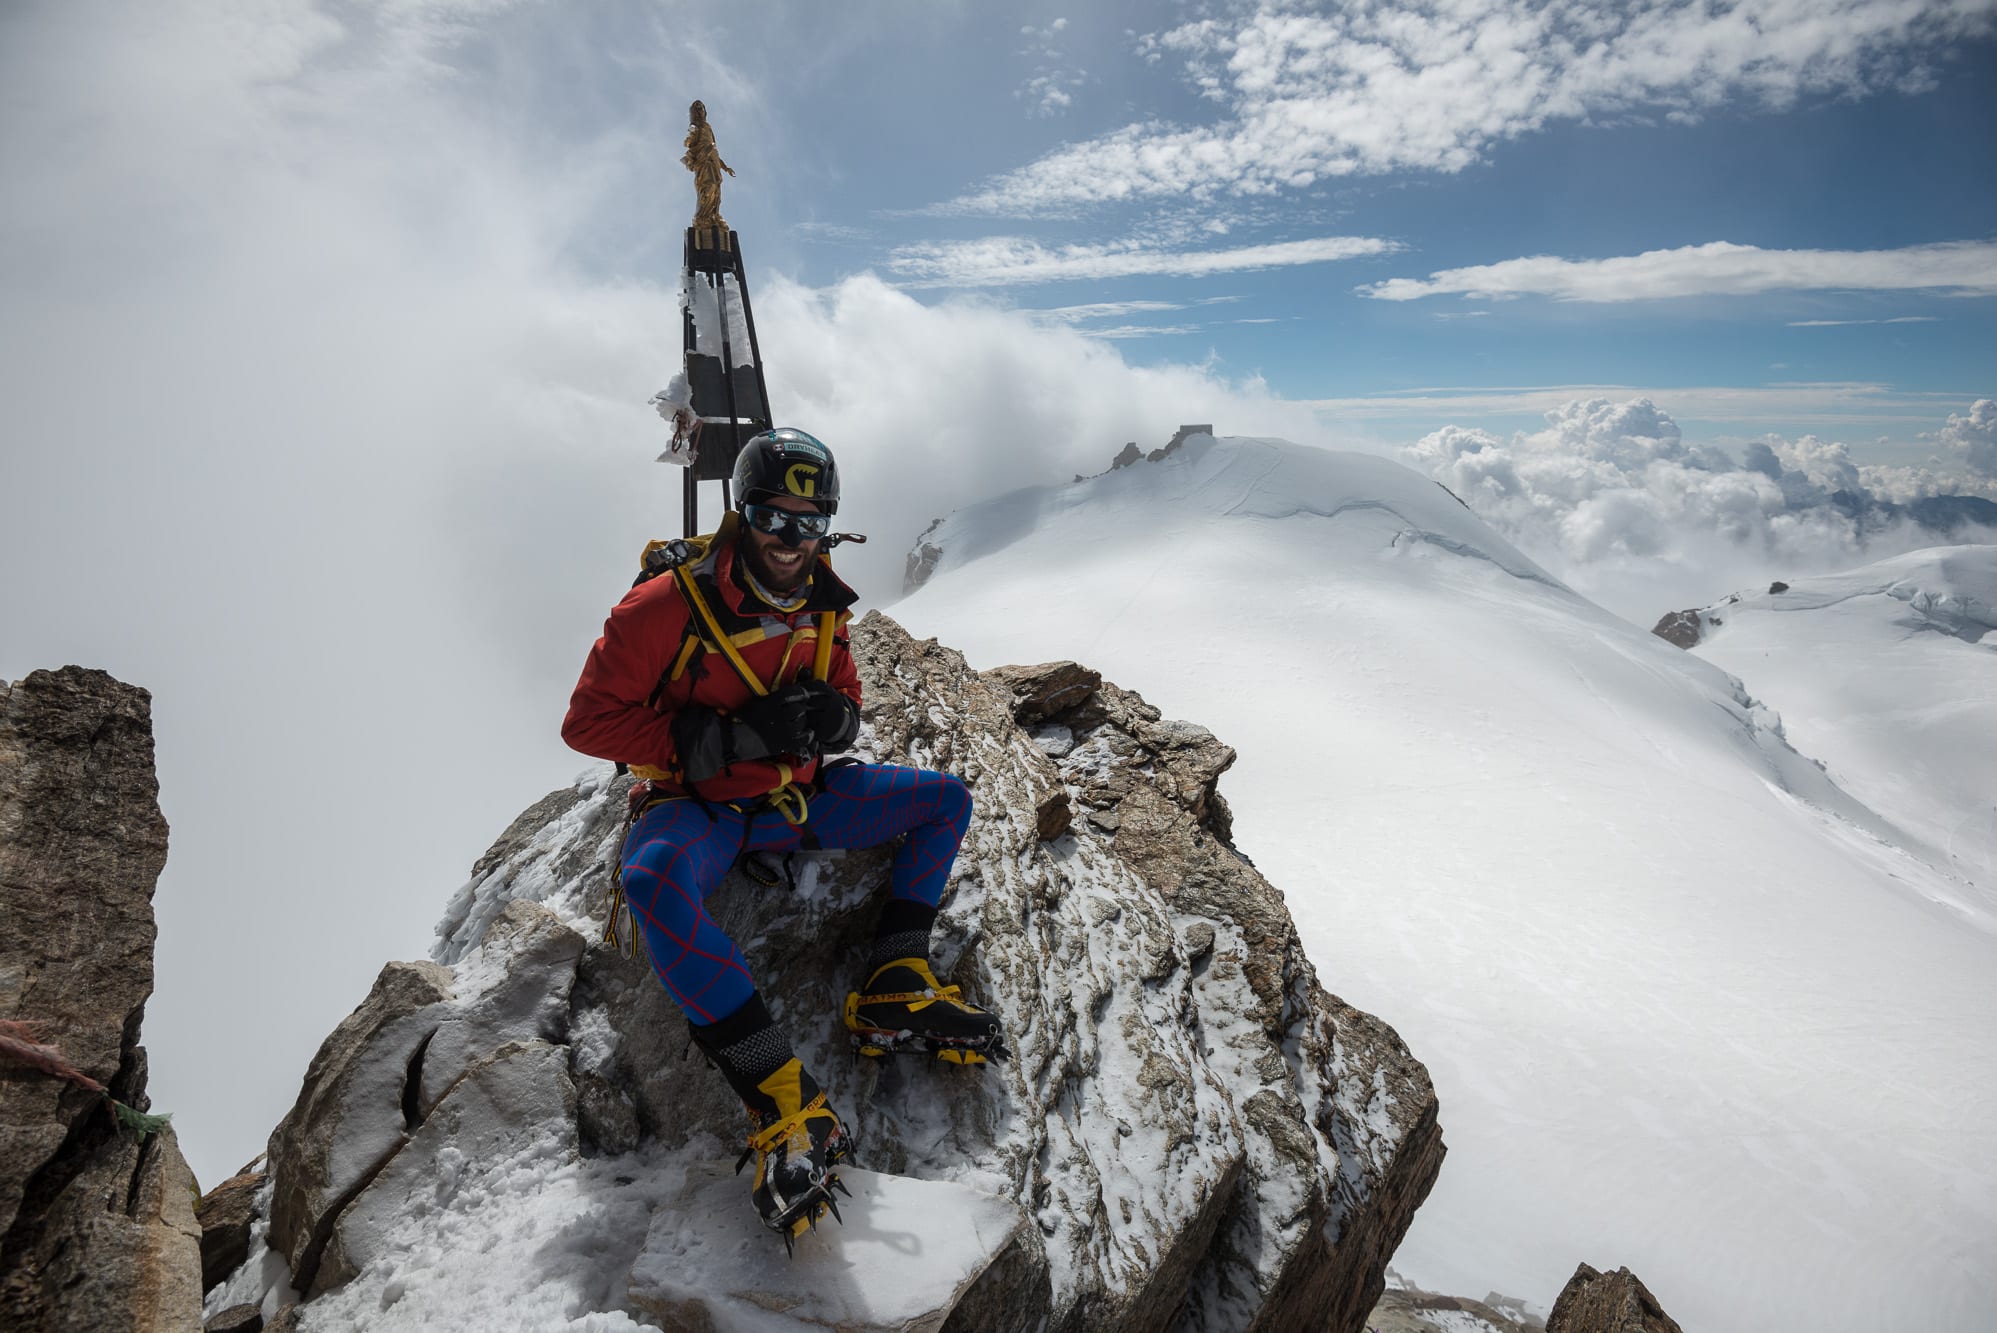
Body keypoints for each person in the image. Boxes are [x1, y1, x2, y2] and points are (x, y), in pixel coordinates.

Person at [561, 427, 1005, 1243]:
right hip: (698, 806)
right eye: (772, 517)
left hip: (795, 798)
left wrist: (836, 716)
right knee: (653, 880)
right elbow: (588, 722)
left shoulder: (823, 601)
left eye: (808, 523)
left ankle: (893, 981)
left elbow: (841, 688)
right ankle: (779, 1093)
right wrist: (723, 741)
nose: (789, 540)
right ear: (743, 512)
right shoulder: (666, 604)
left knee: (944, 800)